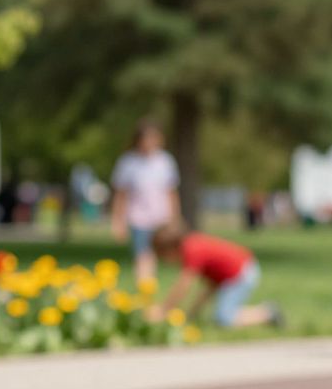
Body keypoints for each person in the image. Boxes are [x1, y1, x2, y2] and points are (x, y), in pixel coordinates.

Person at [149, 221, 282, 330]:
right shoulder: (192, 244)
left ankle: (267, 313)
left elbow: (183, 286)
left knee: (224, 319)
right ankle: (265, 312)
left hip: (241, 274)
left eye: (163, 257)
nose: (165, 262)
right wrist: (191, 315)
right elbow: (210, 287)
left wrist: (164, 310)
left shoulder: (192, 250)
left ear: (171, 249)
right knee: (223, 316)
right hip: (239, 271)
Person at [110, 119, 180, 287]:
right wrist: (117, 221)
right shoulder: (128, 162)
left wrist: (175, 217)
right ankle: (145, 289)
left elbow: (171, 192)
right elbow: (121, 195)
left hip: (160, 217)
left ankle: (149, 289)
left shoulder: (165, 161)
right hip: (138, 217)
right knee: (143, 255)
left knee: (156, 257)